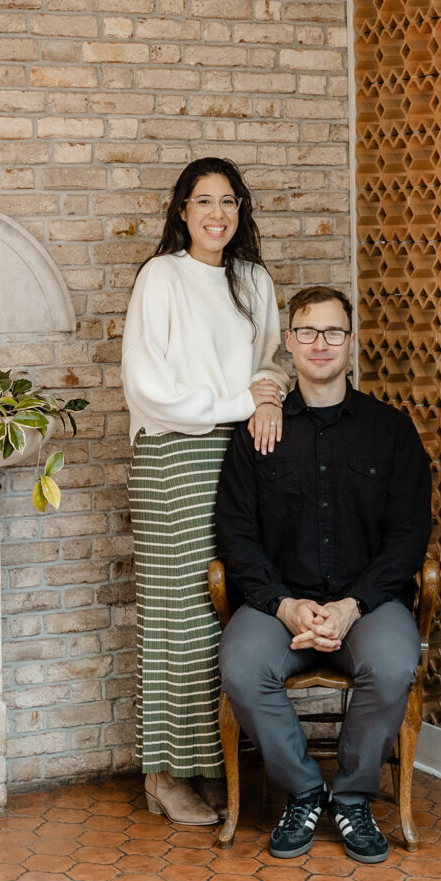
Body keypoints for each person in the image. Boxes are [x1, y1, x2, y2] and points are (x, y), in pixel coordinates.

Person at [215, 285, 431, 863]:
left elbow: (409, 535)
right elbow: (235, 535)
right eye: (307, 332)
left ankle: (355, 798)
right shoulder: (255, 434)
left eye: (334, 331)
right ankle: (306, 792)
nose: (320, 344)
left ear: (351, 342)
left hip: (367, 605)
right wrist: (284, 605)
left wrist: (351, 606)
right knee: (241, 666)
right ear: (288, 342)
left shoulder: (391, 431)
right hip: (277, 605)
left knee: (391, 665)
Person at [121, 157, 290, 826]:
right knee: (182, 614)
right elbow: (146, 386)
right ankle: (165, 774)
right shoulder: (160, 276)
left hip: (244, 453)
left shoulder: (253, 280)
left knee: (234, 603)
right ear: (182, 211)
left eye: (228, 201)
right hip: (173, 453)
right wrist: (238, 398)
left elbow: (270, 362)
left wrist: (269, 393)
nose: (216, 213)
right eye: (202, 201)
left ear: (241, 209)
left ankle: (217, 763)